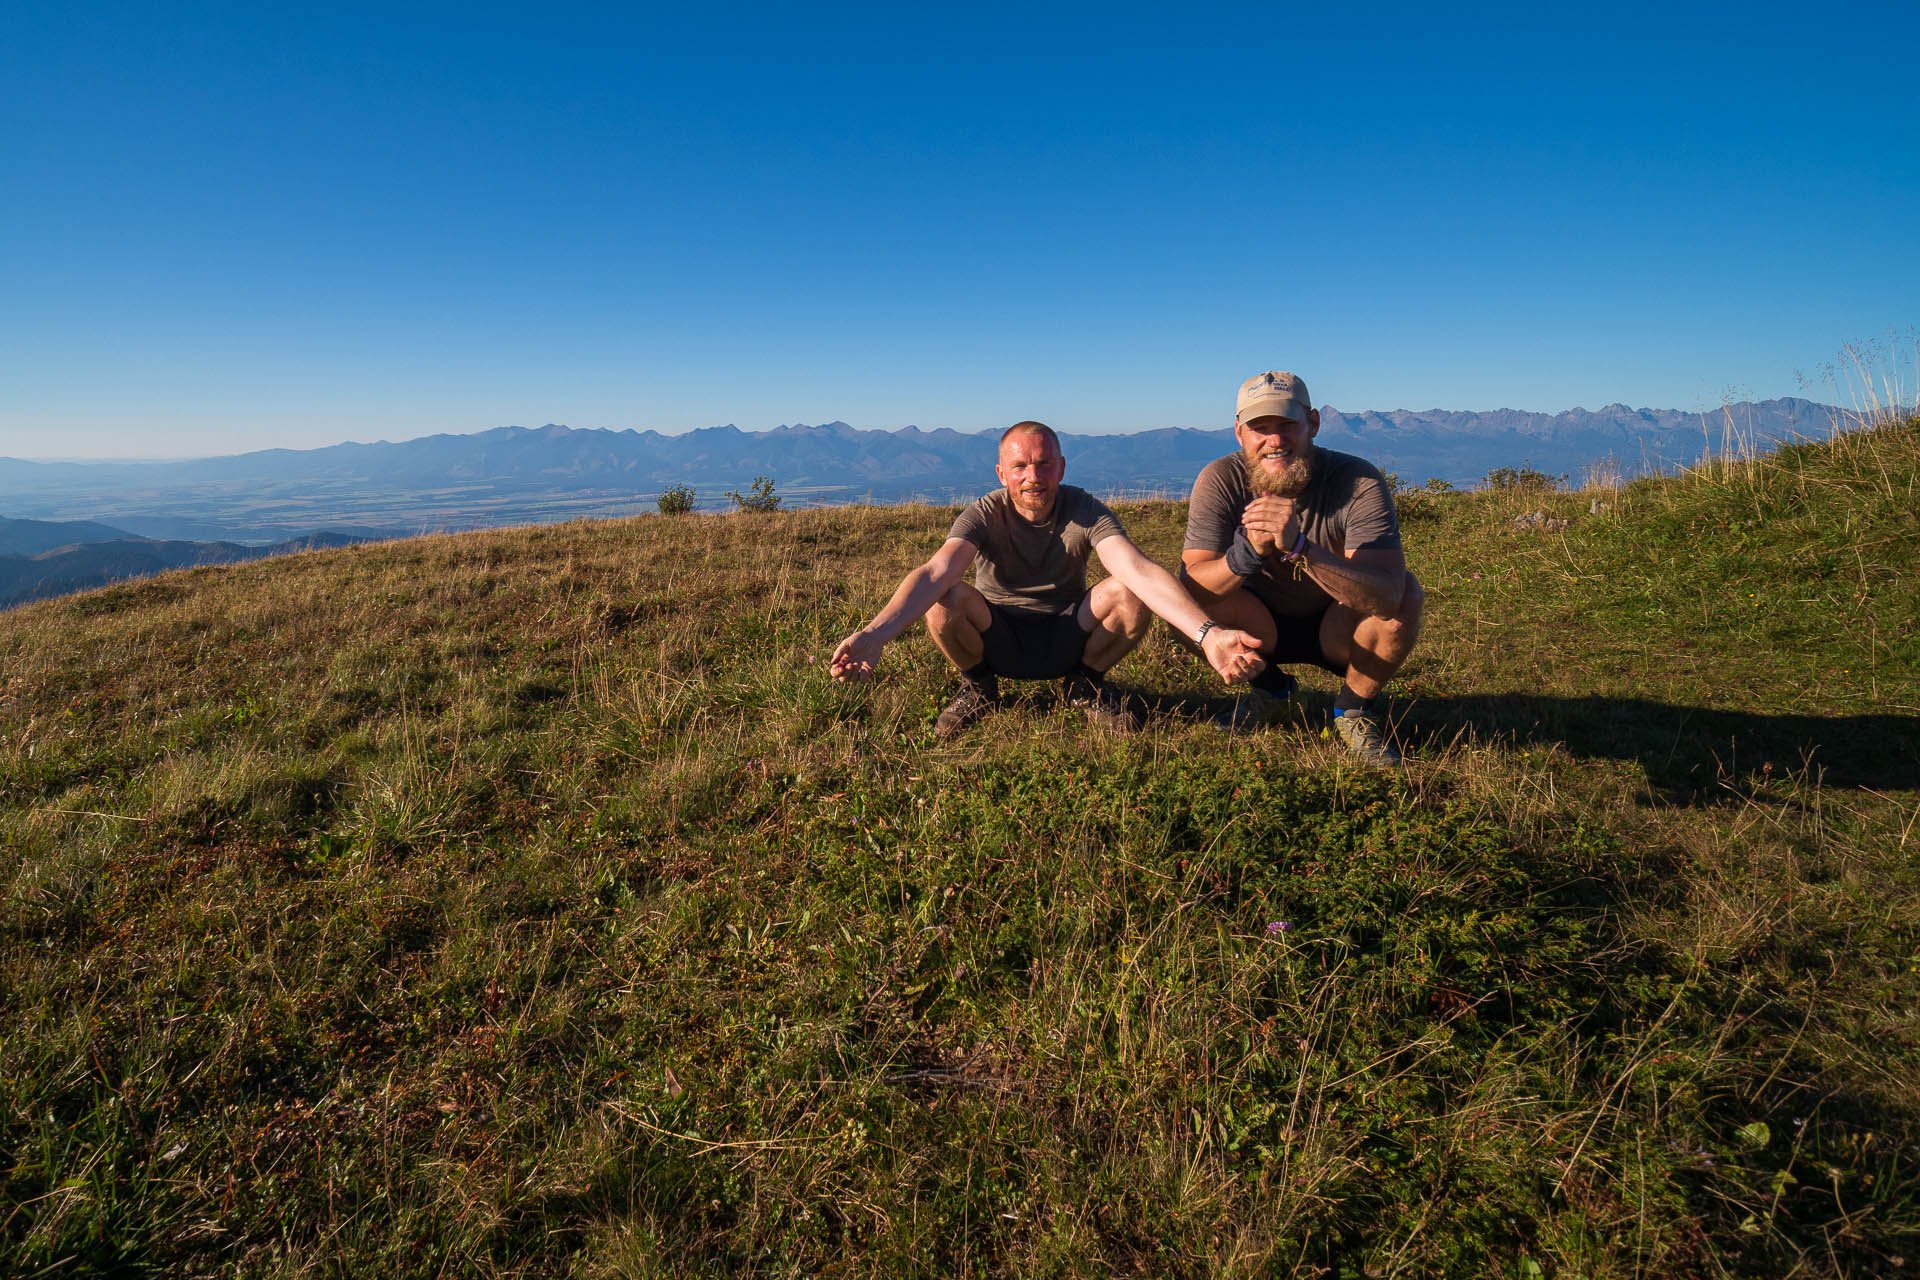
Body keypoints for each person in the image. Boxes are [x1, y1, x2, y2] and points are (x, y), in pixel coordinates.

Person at [831, 420, 1266, 736]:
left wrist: (1208, 635)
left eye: (1043, 465)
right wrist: (875, 634)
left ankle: (1085, 684)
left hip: (1066, 632)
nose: (1032, 477)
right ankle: (979, 687)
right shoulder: (984, 512)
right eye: (1019, 467)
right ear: (1002, 475)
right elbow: (936, 571)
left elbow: (1136, 569)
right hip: (995, 633)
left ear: (1060, 467)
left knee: (1129, 595)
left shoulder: (1085, 509)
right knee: (945, 599)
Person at [1180, 372, 1424, 764]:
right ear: (1240, 433)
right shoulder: (1220, 480)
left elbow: (1389, 595)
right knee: (1176, 602)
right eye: (1260, 428)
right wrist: (1247, 552)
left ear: (1312, 424)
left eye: (1287, 425)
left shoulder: (1357, 481)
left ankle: (1353, 711)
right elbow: (1193, 586)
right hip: (1258, 627)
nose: (1275, 441)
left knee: (1407, 594)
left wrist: (1301, 548)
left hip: (1340, 623)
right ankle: (1271, 690)